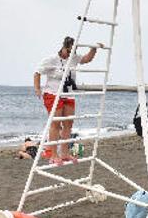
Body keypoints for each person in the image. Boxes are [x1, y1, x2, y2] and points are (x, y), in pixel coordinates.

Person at [34, 36, 103, 165]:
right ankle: (53, 155)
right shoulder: (51, 59)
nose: (71, 54)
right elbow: (37, 72)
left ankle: (65, 153)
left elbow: (86, 59)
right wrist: (37, 89)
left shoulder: (74, 57)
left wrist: (94, 49)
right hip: (53, 94)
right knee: (56, 124)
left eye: (74, 51)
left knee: (68, 124)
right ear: (64, 47)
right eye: (69, 50)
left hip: (68, 94)